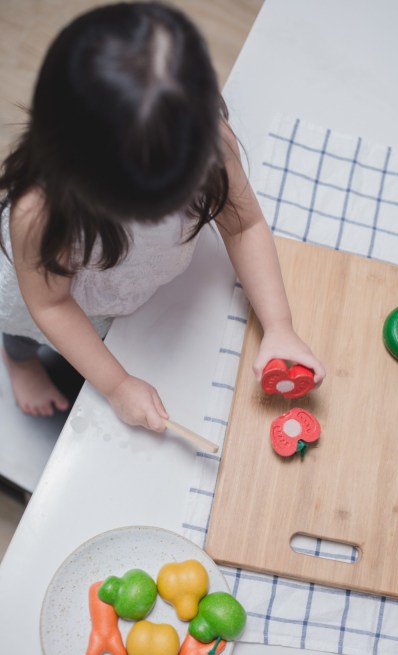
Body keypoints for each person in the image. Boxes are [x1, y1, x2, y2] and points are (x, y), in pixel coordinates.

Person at [0, 1, 324, 429]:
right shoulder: (40, 215)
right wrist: (116, 385)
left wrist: (279, 326)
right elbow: (51, 306)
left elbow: (244, 225)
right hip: (51, 296)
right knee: (23, 333)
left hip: (132, 285)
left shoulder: (208, 140)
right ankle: (19, 363)